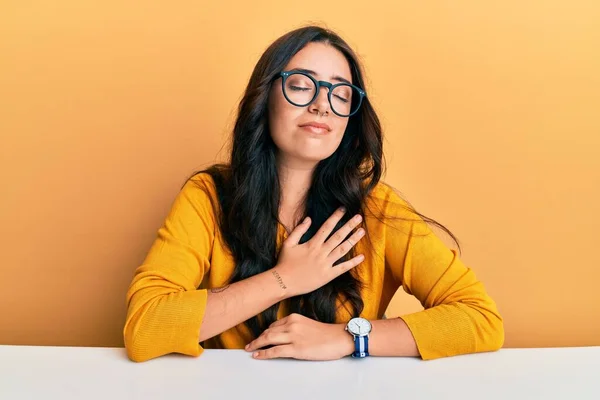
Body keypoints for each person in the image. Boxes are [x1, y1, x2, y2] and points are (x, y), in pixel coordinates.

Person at [123, 25, 504, 363]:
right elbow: (145, 327)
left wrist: (348, 337)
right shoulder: (208, 196)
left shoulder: (378, 209)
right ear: (265, 97)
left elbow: (480, 318)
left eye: (340, 93)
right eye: (302, 86)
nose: (322, 105)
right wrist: (285, 279)